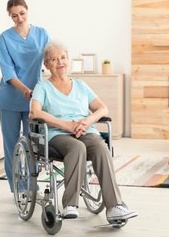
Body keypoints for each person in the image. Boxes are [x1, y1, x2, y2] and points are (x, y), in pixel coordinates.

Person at [30, 40, 138, 221]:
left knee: (101, 148)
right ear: (46, 64)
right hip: (57, 134)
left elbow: (102, 108)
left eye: (63, 58)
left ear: (68, 60)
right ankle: (70, 204)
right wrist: (66, 125)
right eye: (54, 60)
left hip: (85, 130)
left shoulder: (80, 85)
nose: (60, 63)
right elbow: (35, 112)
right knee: (77, 148)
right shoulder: (43, 87)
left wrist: (87, 121)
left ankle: (114, 207)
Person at [0, 0, 50, 197]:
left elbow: (50, 61)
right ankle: (18, 189)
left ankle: (32, 187)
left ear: (27, 10)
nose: (19, 18)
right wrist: (25, 89)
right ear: (10, 16)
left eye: (22, 13)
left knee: (32, 145)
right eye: (14, 16)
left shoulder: (42, 34)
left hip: (33, 100)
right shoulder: (3, 38)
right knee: (11, 146)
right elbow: (8, 72)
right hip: (9, 98)